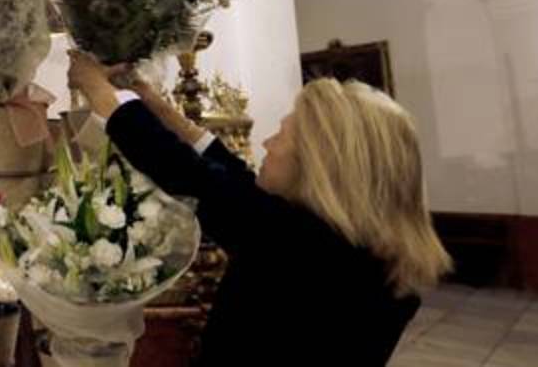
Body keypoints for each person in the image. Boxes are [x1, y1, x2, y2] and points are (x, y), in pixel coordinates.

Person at [67, 50, 452, 366]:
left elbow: (178, 168)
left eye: (282, 134)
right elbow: (232, 177)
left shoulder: (295, 246)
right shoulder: (354, 250)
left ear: (318, 162)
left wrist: (93, 82)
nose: (267, 142)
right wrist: (160, 109)